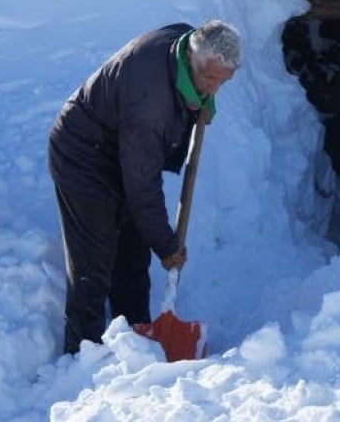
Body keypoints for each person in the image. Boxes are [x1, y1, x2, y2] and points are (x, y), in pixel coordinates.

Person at [48, 20, 242, 355]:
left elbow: (139, 183)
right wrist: (167, 246)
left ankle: (136, 336)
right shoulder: (149, 106)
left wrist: (201, 99)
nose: (214, 90)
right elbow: (142, 189)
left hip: (121, 148)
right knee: (93, 260)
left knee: (133, 256)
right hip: (84, 156)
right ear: (193, 60)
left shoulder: (186, 43)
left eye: (221, 83)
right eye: (209, 80)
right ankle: (79, 354)